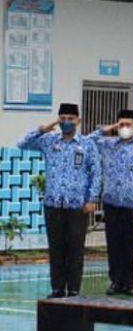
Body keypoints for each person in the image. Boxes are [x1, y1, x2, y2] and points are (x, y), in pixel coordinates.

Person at [19, 103, 99, 298]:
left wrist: (92, 198)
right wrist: (43, 128)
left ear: (78, 121)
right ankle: (57, 288)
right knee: (56, 249)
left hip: (77, 206)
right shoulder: (49, 141)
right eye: (62, 119)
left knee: (75, 250)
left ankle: (73, 290)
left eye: (70, 119)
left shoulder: (87, 144)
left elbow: (96, 172)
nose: (66, 122)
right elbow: (22, 143)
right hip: (53, 204)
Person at [88, 110, 133, 296]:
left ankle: (130, 283)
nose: (124, 128)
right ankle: (116, 281)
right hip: (112, 202)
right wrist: (107, 129)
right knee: (114, 244)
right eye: (121, 124)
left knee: (130, 245)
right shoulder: (108, 145)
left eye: (128, 124)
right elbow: (88, 140)